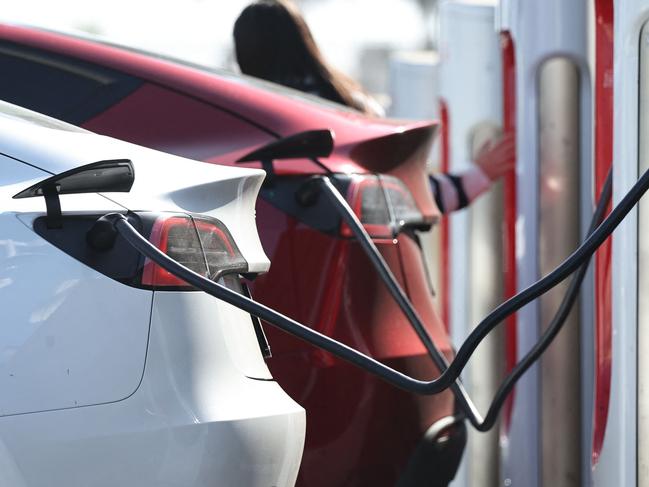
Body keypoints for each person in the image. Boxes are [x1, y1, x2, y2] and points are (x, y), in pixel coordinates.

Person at [233, 0, 515, 208]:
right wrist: (478, 174)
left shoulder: (238, 132)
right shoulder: (347, 109)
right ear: (303, 41)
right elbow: (408, 196)